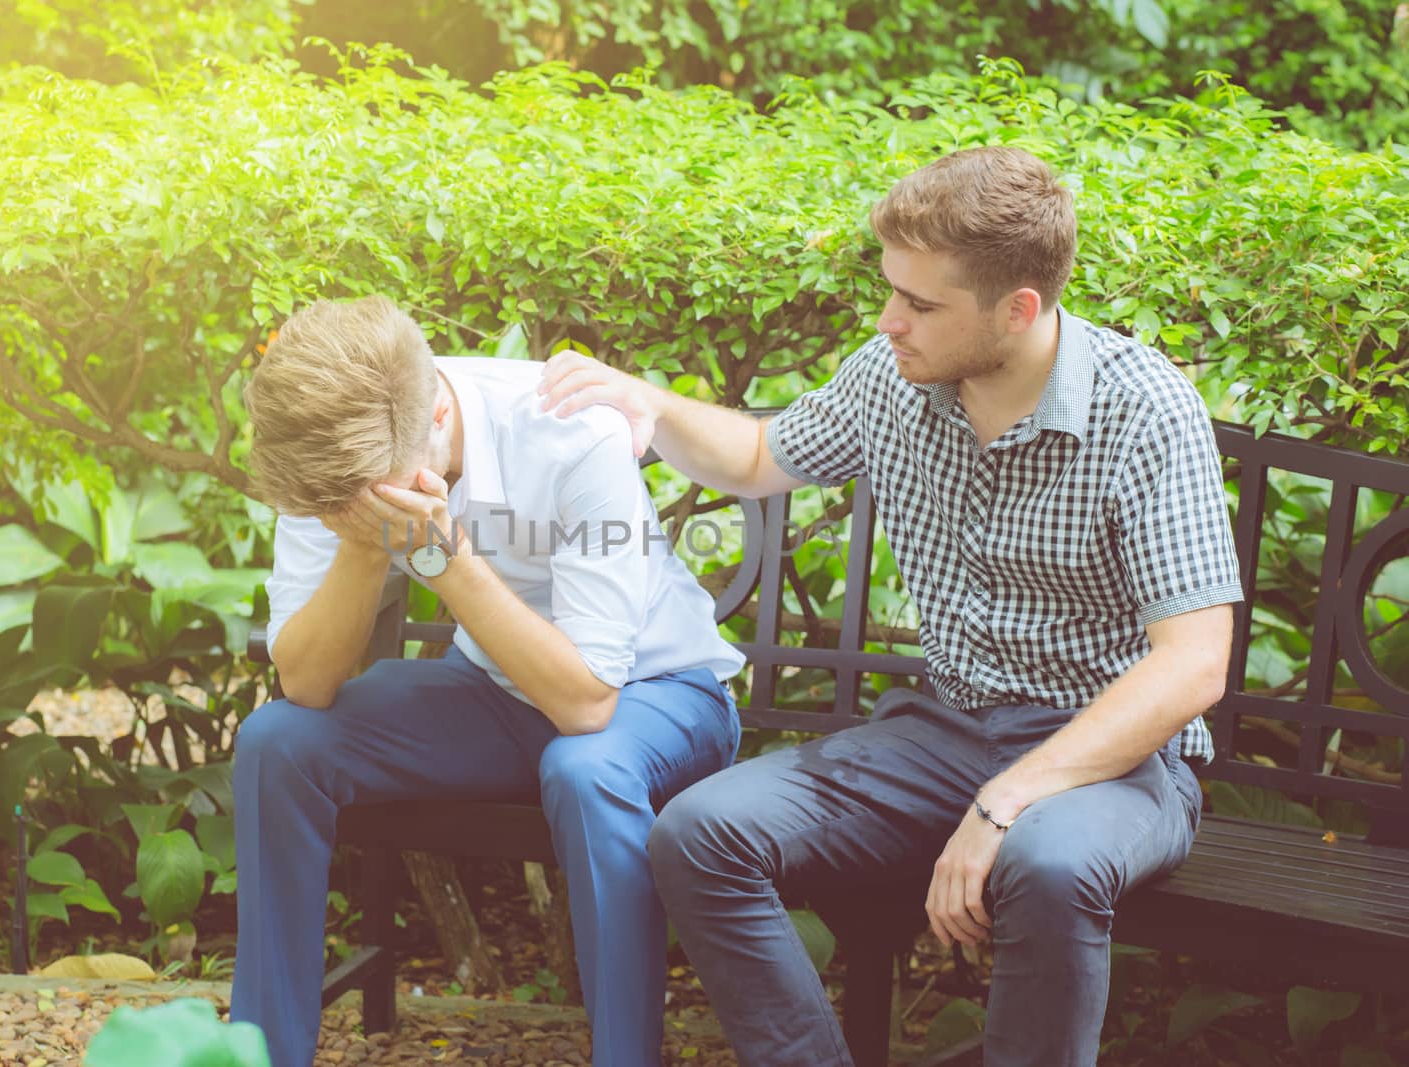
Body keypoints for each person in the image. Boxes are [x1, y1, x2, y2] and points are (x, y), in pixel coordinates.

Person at [537, 145, 1241, 1067]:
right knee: (701, 834)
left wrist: (1007, 799)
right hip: (942, 733)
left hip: (1108, 760)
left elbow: (1193, 663)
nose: (888, 321)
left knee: (1052, 863)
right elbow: (757, 457)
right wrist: (646, 402)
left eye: (920, 303)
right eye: (891, 292)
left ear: (1018, 309)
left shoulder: (1143, 411)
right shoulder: (891, 378)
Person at [229, 295, 745, 1067]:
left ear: (436, 411)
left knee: (586, 767)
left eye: (365, 492)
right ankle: (262, 1055)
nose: (350, 508)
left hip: (658, 691)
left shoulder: (571, 431)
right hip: (497, 692)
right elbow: (304, 680)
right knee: (277, 741)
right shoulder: (335, 449)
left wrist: (444, 558)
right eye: (336, 504)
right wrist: (363, 546)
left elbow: (586, 700)